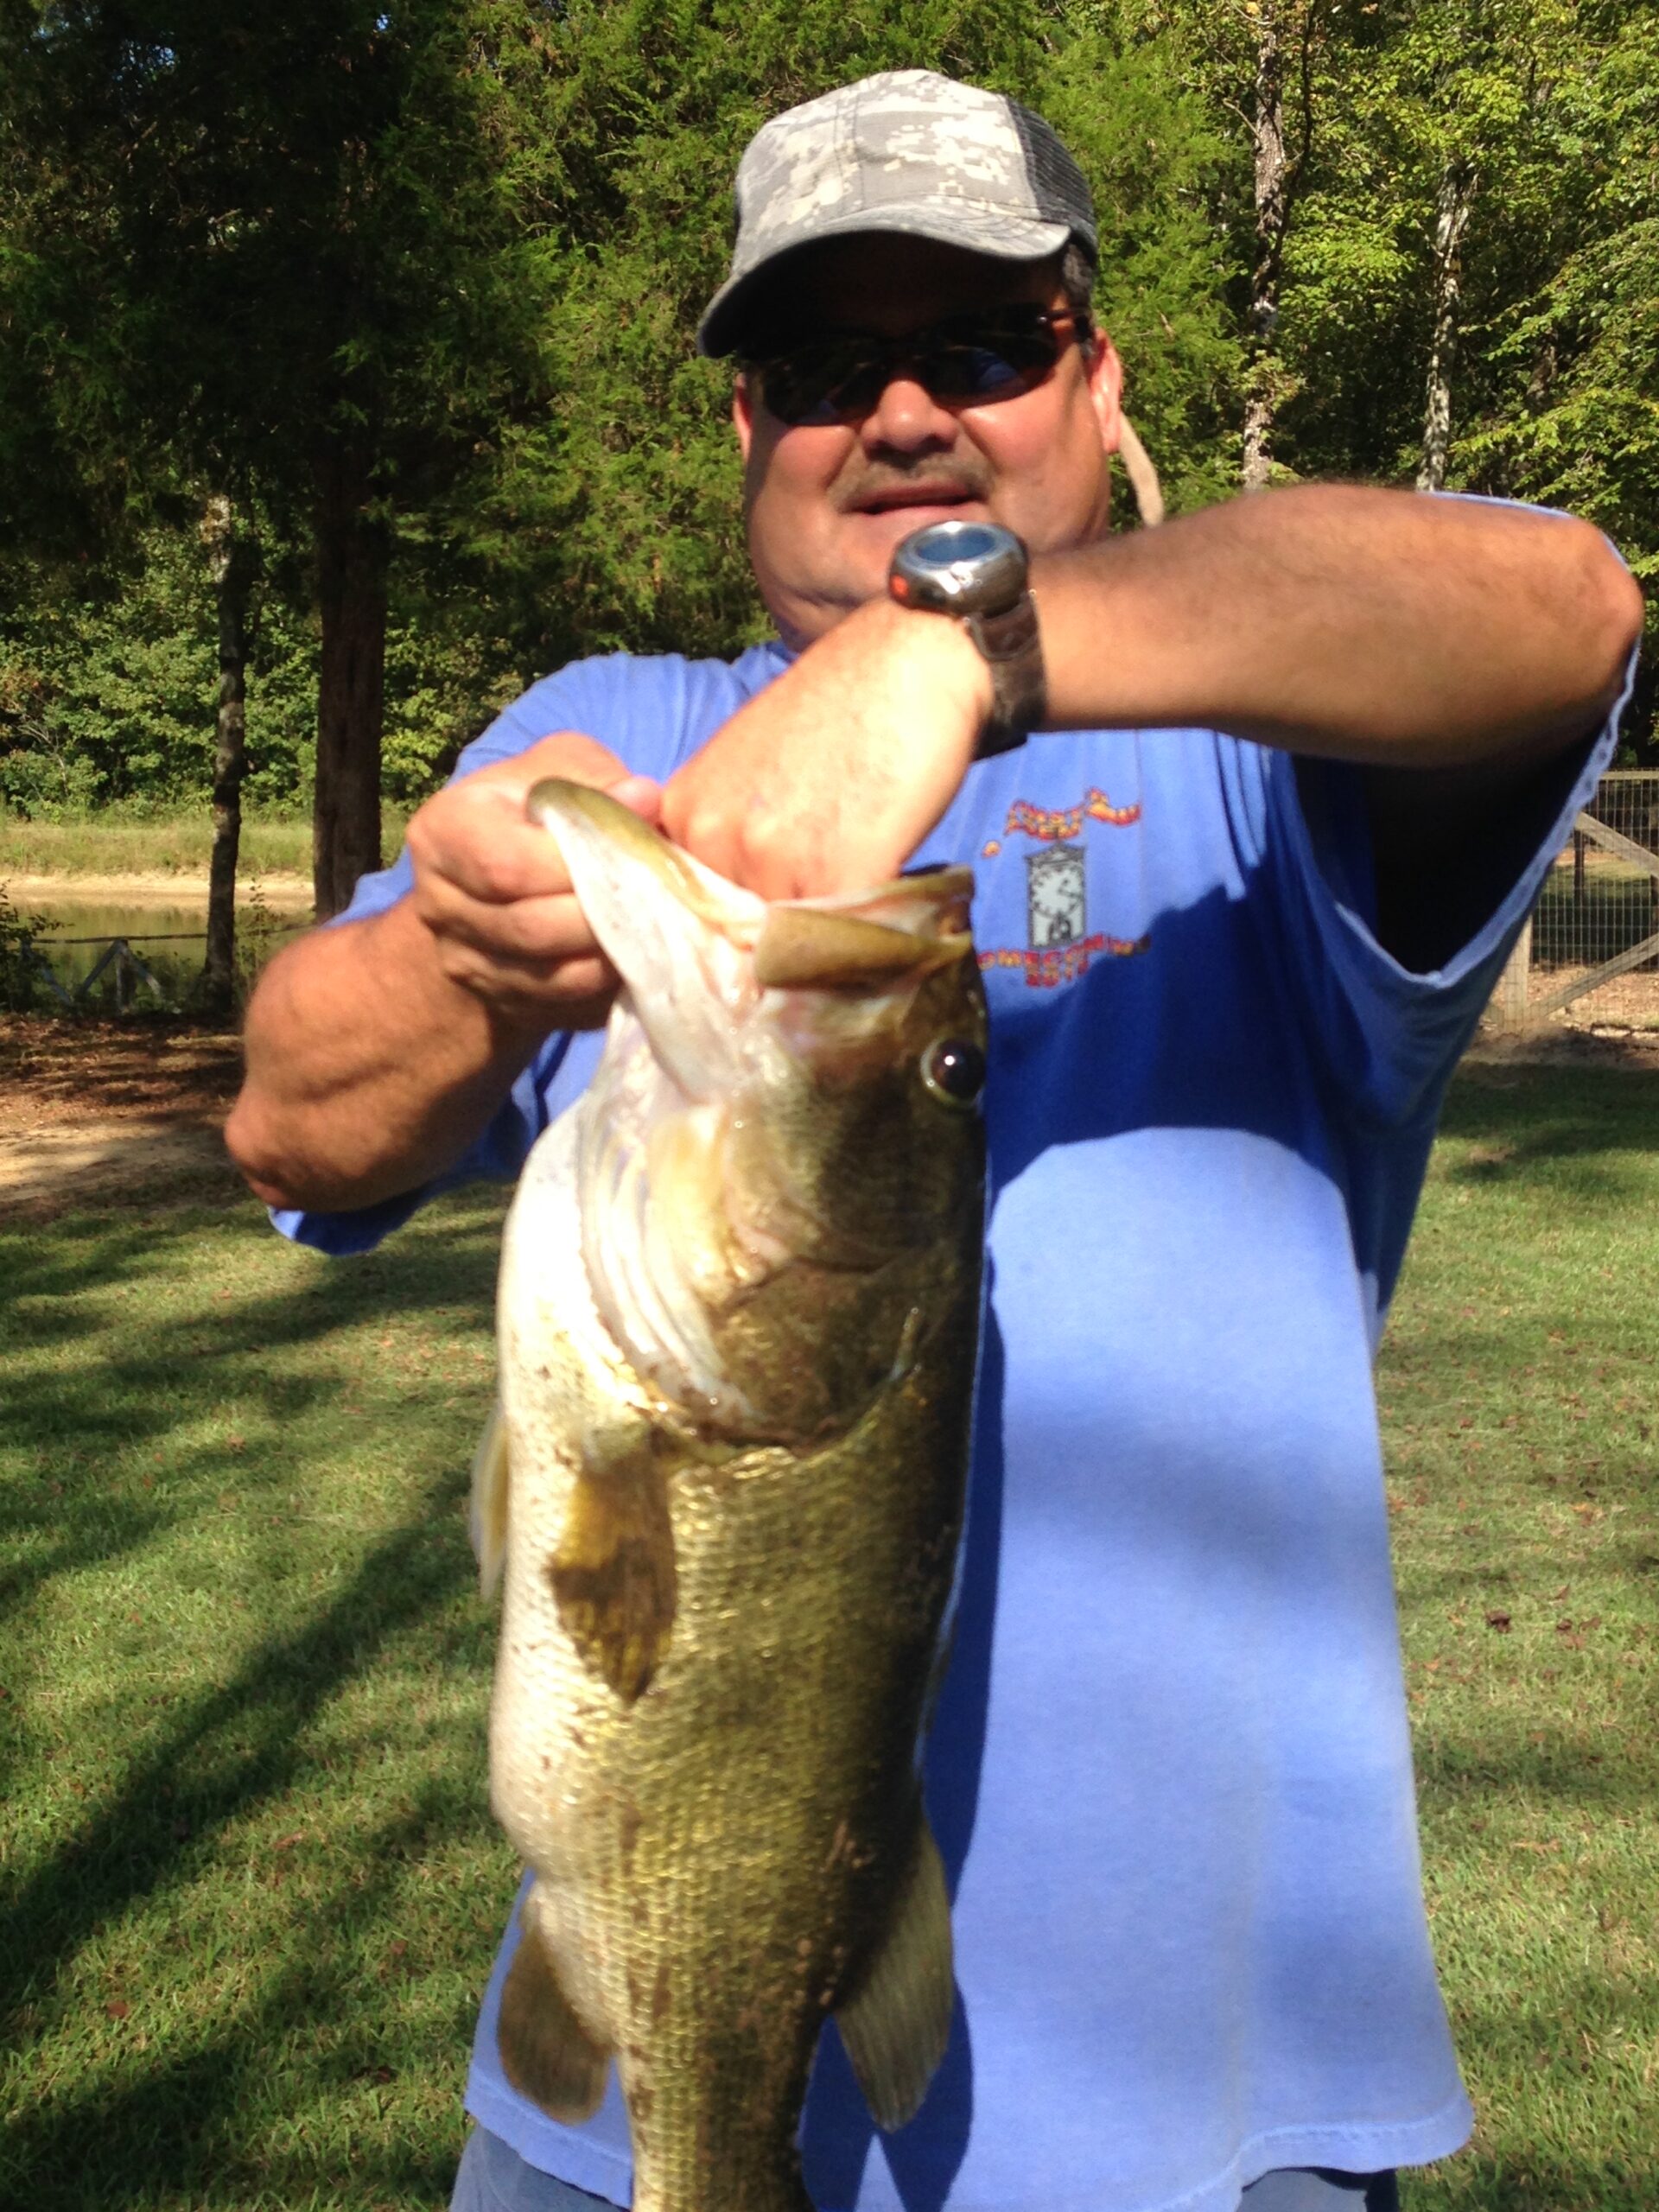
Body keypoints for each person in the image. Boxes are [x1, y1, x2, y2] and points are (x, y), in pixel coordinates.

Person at [227, 68, 1641, 2212]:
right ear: (744, 431)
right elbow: (293, 1115)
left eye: (979, 345)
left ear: (1097, 376)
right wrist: (472, 956)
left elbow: (1566, 606)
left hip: (1202, 2115)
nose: (900, 413)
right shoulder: (611, 738)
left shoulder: (1259, 775)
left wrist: (977, 650)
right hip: (627, 2090)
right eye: (820, 365)